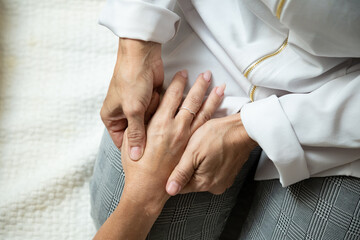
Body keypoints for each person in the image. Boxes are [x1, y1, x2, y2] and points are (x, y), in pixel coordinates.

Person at [90, 0, 360, 239]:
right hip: (213, 36)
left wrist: (252, 128)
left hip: (344, 100)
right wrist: (136, 41)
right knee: (123, 219)